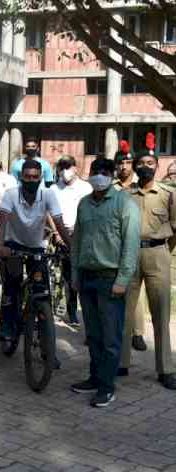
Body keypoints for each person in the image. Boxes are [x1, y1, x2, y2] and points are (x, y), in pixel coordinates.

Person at [71, 157, 140, 407]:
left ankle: (107, 387)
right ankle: (95, 377)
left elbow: (131, 246)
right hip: (87, 278)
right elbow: (77, 241)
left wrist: (123, 280)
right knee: (94, 334)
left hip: (111, 279)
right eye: (95, 171)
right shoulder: (84, 204)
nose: (98, 176)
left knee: (111, 336)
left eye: (104, 172)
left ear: (111, 175)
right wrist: (75, 275)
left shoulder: (125, 204)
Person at [0, 160, 71, 367]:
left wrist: (71, 247)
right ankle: (8, 327)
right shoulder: (11, 194)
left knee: (43, 292)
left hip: (36, 247)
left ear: (41, 178)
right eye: (27, 177)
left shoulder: (48, 194)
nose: (30, 180)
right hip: (13, 245)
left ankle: (48, 350)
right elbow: (2, 221)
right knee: (12, 284)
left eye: (34, 177)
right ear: (21, 178)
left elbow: (59, 222)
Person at [118, 150, 176, 389]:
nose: (145, 166)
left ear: (157, 166)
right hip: (129, 255)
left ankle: (166, 369)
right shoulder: (124, 194)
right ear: (135, 167)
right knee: (124, 312)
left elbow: (175, 228)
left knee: (160, 312)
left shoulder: (168, 194)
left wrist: (161, 249)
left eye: (149, 163)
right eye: (140, 163)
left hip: (158, 254)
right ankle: (120, 363)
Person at [49, 155, 92, 326]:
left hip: (80, 234)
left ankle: (80, 311)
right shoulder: (53, 189)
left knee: (79, 274)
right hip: (59, 234)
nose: (65, 171)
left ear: (76, 168)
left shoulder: (86, 187)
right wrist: (55, 232)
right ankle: (68, 309)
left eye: (69, 166)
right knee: (66, 274)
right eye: (62, 167)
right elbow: (48, 212)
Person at [114, 141, 146, 352]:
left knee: (136, 292)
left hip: (138, 245)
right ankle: (117, 329)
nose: (124, 166)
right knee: (116, 288)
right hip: (115, 245)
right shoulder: (112, 188)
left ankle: (138, 333)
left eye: (127, 162)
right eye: (120, 163)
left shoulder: (140, 185)